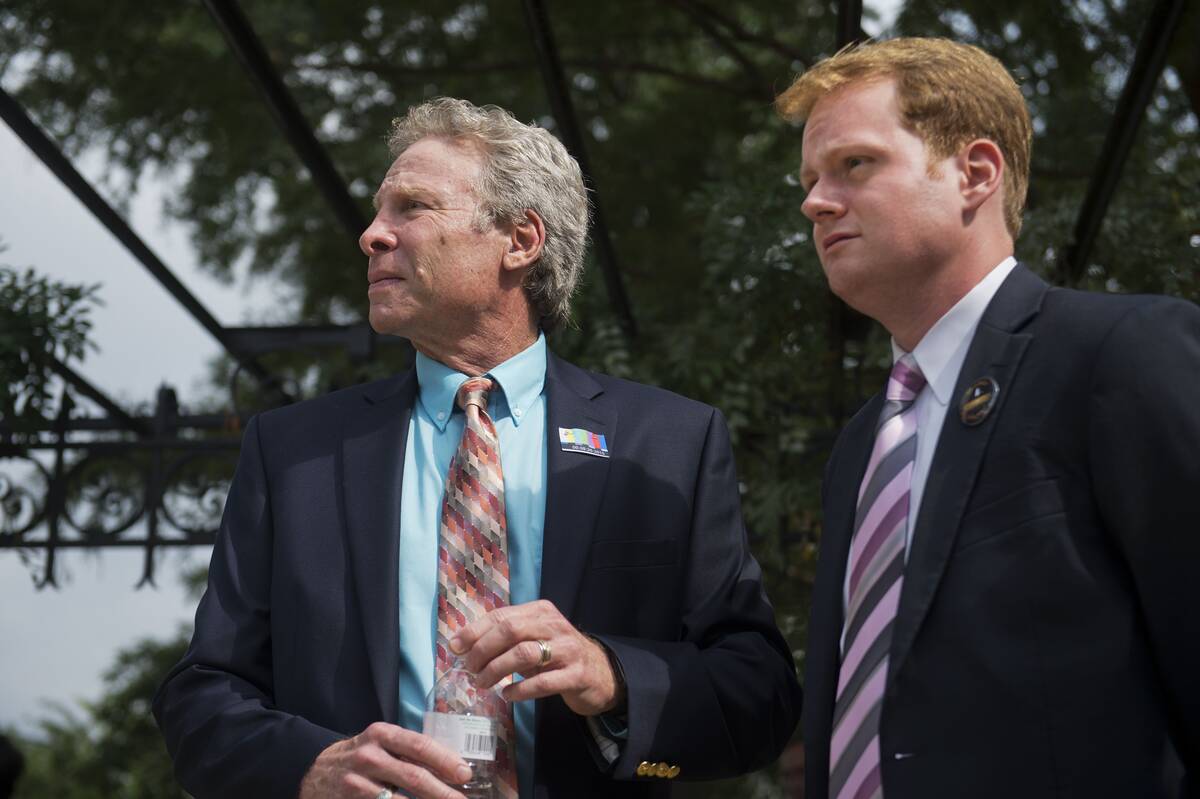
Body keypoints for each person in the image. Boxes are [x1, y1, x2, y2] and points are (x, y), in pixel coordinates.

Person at [153, 97, 801, 799]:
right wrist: (311, 767)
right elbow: (202, 697)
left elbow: (758, 697)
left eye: (413, 207)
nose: (372, 234)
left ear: (520, 240)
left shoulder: (667, 441)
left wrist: (607, 672)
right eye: (379, 210)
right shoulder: (293, 451)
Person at [775, 37, 1200, 799]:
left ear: (975, 173)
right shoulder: (860, 448)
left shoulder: (1117, 357)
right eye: (810, 179)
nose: (814, 201)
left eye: (855, 165)